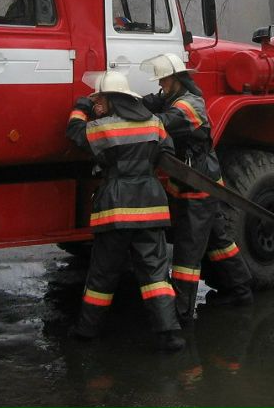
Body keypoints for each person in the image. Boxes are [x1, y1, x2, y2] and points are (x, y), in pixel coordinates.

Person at [66, 70, 186, 352]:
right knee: (156, 273)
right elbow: (166, 151)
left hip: (116, 207)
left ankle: (86, 331)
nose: (97, 105)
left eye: (99, 99)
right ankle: (170, 334)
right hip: (150, 204)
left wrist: (80, 108)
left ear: (112, 100)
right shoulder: (155, 123)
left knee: (103, 274)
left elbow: (74, 135)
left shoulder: (102, 128)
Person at [140, 53, 253, 324]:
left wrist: (134, 117)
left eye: (164, 79)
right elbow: (150, 103)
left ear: (177, 79)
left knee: (187, 251)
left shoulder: (190, 105)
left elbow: (163, 123)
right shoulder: (171, 97)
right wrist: (127, 102)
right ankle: (241, 290)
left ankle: (181, 311)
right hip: (194, 183)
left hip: (200, 185)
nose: (161, 85)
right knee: (218, 240)